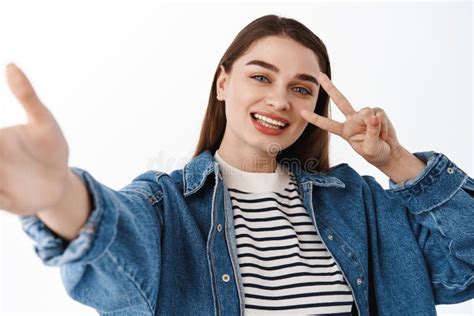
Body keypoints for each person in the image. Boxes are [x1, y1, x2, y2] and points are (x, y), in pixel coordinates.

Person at [1, 14, 473, 316]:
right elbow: (115, 248)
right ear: (223, 82)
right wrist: (57, 194)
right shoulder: (168, 206)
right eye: (261, 76)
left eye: (302, 88)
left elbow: (465, 267)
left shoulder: (361, 205)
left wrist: (396, 161)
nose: (279, 100)